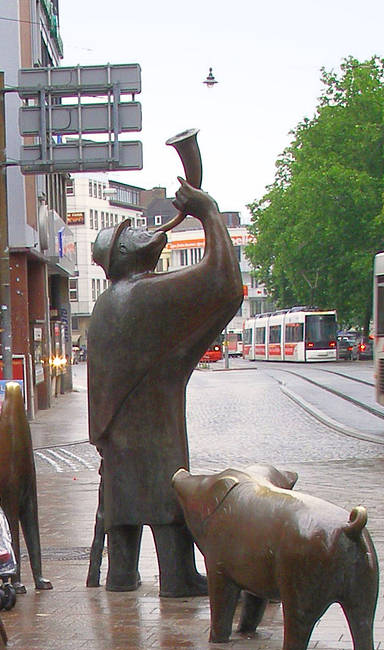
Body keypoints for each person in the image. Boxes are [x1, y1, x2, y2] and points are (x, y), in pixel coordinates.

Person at [87, 178, 241, 596]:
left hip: (117, 432)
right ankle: (177, 577)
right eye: (129, 233)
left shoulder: (108, 303)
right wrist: (208, 211)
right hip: (153, 427)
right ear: (122, 255)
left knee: (123, 504)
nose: (142, 230)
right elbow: (224, 282)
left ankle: (122, 574)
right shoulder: (144, 294)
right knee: (167, 492)